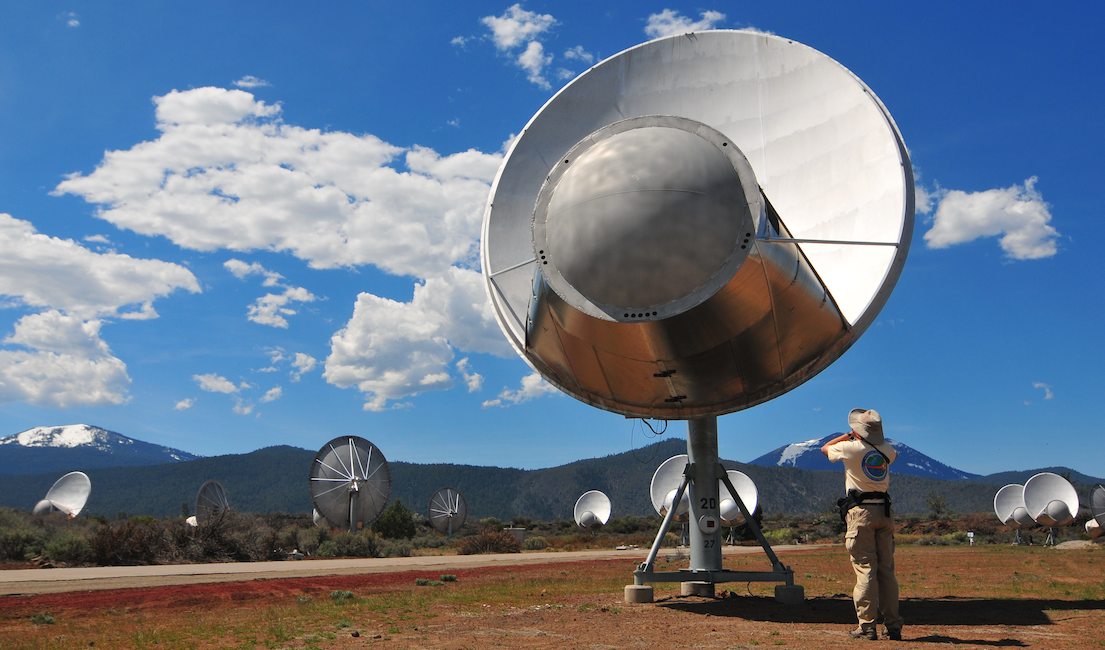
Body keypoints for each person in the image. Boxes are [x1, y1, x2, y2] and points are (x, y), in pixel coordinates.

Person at [821, 408, 903, 641]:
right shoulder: (887, 450)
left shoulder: (850, 448)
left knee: (865, 569)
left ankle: (867, 625)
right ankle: (893, 625)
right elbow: (891, 453)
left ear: (858, 430)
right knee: (886, 570)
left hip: (861, 514)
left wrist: (848, 436)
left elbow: (824, 449)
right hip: (884, 512)